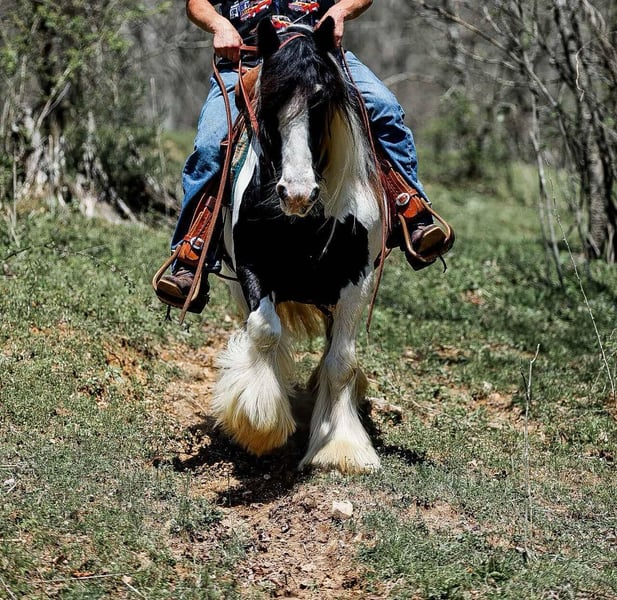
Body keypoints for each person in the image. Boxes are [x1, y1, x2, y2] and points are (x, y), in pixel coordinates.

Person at [156, 0, 452, 308]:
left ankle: (411, 211)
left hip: (318, 57)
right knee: (210, 145)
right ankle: (191, 255)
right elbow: (197, 3)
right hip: (247, 60)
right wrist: (219, 25)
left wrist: (340, 11)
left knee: (383, 108)